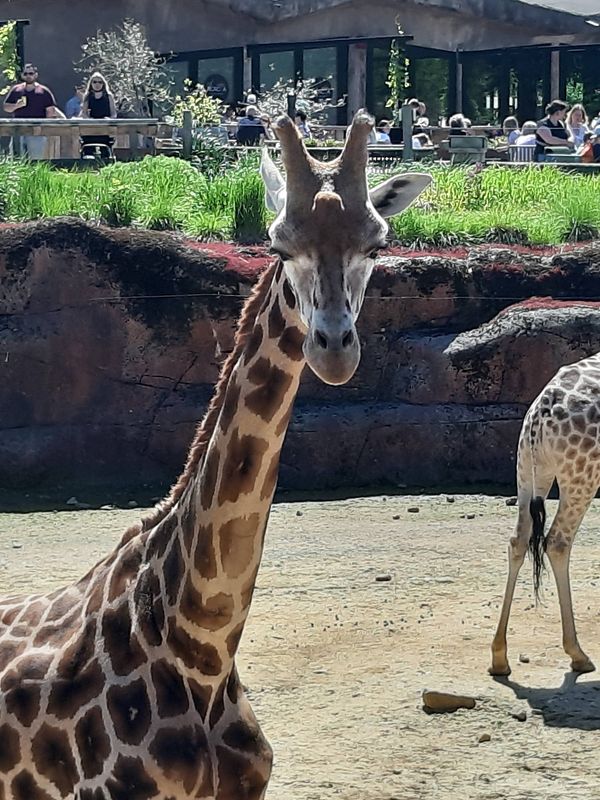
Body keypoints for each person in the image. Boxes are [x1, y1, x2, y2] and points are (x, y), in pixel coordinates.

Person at [3, 63, 65, 159]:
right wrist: (16, 105)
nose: (28, 76)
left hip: (37, 130)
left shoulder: (44, 91)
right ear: (22, 75)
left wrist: (46, 130)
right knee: (16, 159)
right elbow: (6, 107)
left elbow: (50, 111)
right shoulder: (16, 90)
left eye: (31, 73)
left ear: (36, 75)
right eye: (26, 73)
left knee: (36, 159)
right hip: (18, 129)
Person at [80, 71, 117, 155]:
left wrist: (109, 120)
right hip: (91, 127)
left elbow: (114, 113)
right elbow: (84, 113)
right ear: (91, 83)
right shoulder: (87, 96)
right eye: (94, 82)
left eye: (100, 82)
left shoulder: (109, 96)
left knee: (105, 151)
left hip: (105, 127)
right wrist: (89, 120)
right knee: (88, 149)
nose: (97, 84)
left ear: (103, 84)